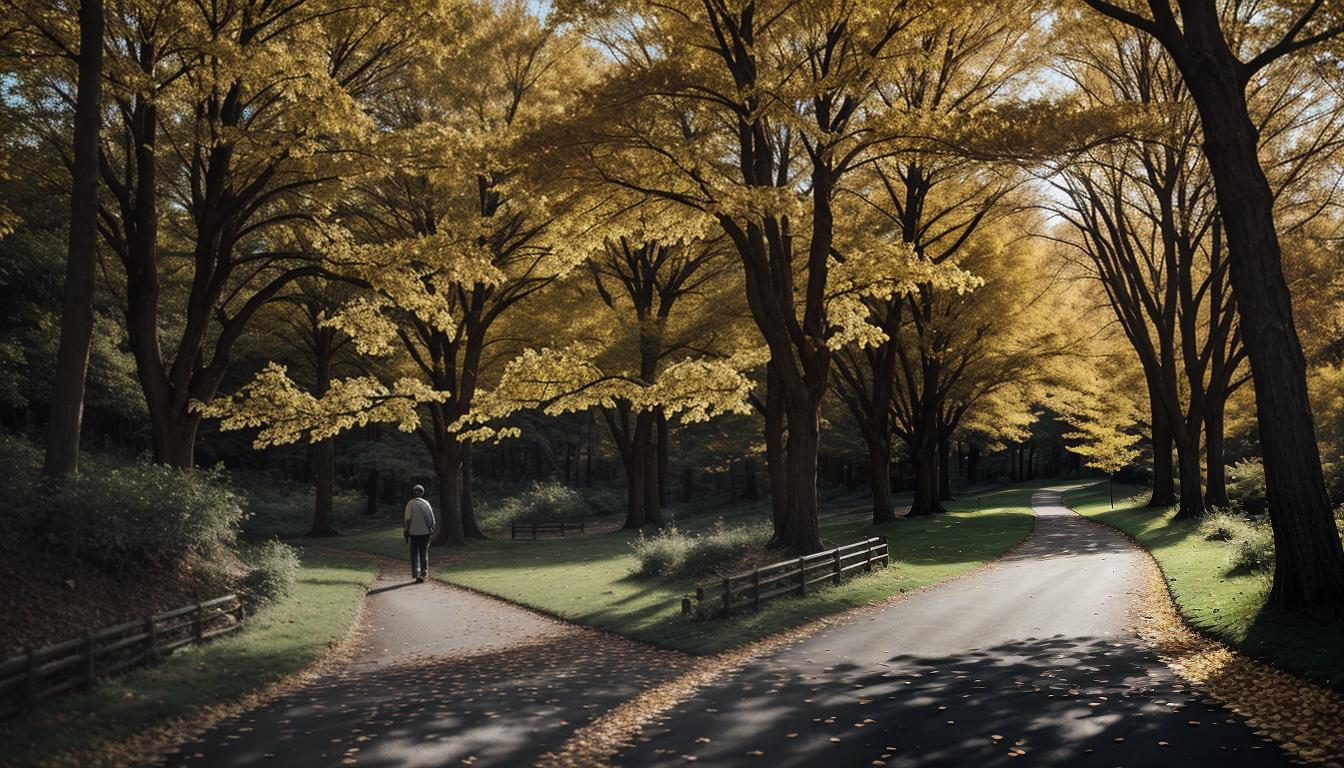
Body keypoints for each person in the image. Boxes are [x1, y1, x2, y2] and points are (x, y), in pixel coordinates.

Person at [404, 485, 435, 582]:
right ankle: (424, 573)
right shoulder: (427, 503)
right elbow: (432, 520)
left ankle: (417, 574)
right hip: (425, 533)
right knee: (424, 554)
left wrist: (406, 532)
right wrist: (431, 530)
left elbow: (407, 519)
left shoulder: (410, 503)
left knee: (414, 555)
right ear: (422, 493)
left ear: (414, 493)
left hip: (414, 533)